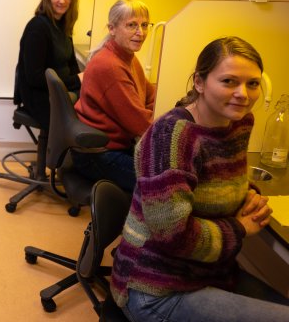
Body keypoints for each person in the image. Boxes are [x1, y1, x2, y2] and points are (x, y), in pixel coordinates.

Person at [111, 37, 289, 321]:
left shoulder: (240, 121)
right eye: (229, 81)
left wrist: (247, 195)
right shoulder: (172, 137)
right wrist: (239, 228)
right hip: (156, 287)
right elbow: (172, 235)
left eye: (253, 83)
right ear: (199, 82)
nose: (243, 93)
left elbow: (219, 178)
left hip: (212, 272)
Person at [72, 0, 156, 192]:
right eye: (132, 25)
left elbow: (150, 93)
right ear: (112, 28)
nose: (140, 32)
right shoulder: (111, 66)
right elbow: (141, 124)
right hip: (99, 155)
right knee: (159, 185)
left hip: (111, 146)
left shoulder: (127, 57)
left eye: (144, 25)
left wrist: (148, 109)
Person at [14, 0, 81, 130]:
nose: (62, 1)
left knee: (93, 105)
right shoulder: (37, 27)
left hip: (59, 91)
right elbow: (35, 78)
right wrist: (78, 80)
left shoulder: (63, 26)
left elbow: (72, 65)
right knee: (84, 119)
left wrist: (82, 81)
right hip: (40, 96)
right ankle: (60, 154)